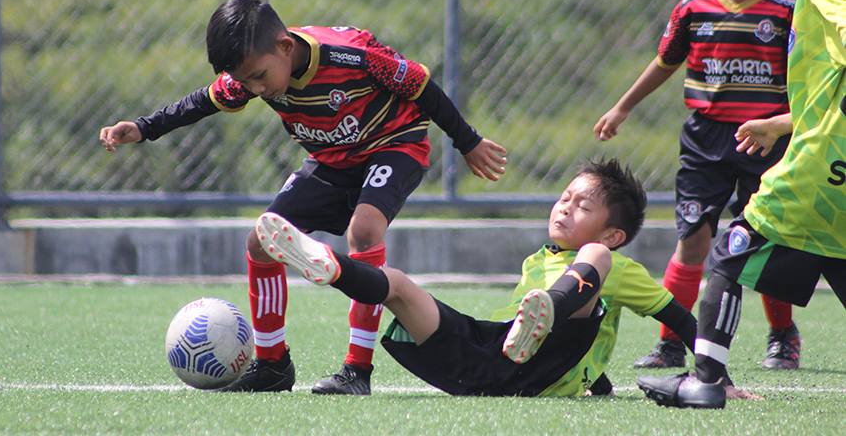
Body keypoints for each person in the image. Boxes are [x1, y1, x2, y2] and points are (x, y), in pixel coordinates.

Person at [99, 0, 508, 395]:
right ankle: (272, 365)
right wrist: (145, 127)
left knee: (364, 231)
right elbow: (204, 100)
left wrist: (467, 141)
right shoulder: (255, 68)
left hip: (394, 143)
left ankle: (357, 370)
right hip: (332, 160)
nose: (256, 89)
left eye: (259, 77)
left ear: (285, 46)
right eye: (246, 82)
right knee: (261, 241)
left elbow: (421, 86)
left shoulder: (352, 56)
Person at [637, 0, 846, 409]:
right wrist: (781, 123)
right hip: (761, 147)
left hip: (816, 171)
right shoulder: (696, 6)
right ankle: (679, 350)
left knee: (730, 255)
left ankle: (708, 380)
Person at [252, 158, 703, 397]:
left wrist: (712, 374)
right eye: (565, 198)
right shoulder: (537, 259)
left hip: (545, 364)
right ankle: (332, 266)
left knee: (595, 259)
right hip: (489, 357)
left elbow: (679, 317)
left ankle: (550, 309)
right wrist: (597, 380)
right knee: (397, 285)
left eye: (582, 206)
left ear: (613, 233)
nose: (565, 208)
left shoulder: (610, 260)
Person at [593, 0, 800, 371]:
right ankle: (670, 342)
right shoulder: (693, 7)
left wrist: (782, 125)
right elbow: (666, 61)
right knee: (692, 241)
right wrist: (623, 107)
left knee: (766, 240)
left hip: (766, 142)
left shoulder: (788, 12)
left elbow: (805, 78)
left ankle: (782, 335)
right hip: (705, 142)